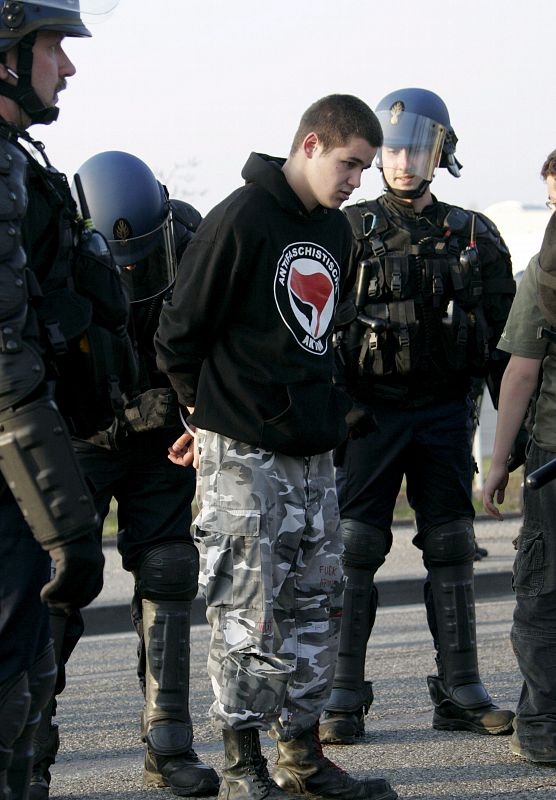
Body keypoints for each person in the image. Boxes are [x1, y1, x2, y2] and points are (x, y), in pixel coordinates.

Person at [155, 95, 398, 800]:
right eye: (349, 163)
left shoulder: (336, 231)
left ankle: (302, 757)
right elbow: (178, 334)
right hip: (244, 455)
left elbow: (322, 338)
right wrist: (206, 419)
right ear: (312, 144)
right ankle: (243, 767)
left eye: (365, 169)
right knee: (247, 609)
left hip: (313, 455)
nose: (356, 180)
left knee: (316, 605)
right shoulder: (241, 218)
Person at [320, 87, 517, 746]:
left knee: (452, 544)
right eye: (393, 150)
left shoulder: (474, 234)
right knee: (355, 548)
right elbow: (313, 331)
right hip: (367, 417)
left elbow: (505, 343)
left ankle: (461, 689)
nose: (403, 163)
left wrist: (513, 438)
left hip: (444, 414)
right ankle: (342, 693)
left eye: (417, 150)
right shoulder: (345, 230)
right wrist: (335, 413)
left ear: (441, 153)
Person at [29, 150, 220, 799]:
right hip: (78, 436)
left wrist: (200, 414)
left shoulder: (194, 242)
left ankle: (168, 743)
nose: (136, 271)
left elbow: (222, 338)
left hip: (165, 437)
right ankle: (29, 748)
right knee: (55, 581)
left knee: (169, 568)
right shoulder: (52, 245)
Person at [0, 3, 125, 799]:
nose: (67, 67)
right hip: (14, 458)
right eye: (52, 48)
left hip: (21, 459)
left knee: (27, 664)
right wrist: (66, 522)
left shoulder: (18, 162)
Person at [483, 150, 556, 764]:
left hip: (552, 458)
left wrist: (498, 460)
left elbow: (520, 373)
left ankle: (540, 727)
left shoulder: (546, 270)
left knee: (542, 595)